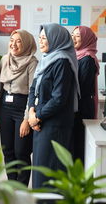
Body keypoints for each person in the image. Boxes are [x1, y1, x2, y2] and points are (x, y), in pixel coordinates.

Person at [28, 23, 80, 189]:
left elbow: (59, 99)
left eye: (45, 38)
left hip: (55, 125)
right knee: (40, 169)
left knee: (50, 172)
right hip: (40, 122)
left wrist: (37, 116)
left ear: (56, 40)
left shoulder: (62, 62)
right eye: (40, 37)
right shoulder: (46, 60)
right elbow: (33, 88)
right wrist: (30, 112)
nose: (41, 42)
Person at [0, 29, 38, 186]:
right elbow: (0, 87)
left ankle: (21, 188)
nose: (13, 44)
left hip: (22, 106)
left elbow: (32, 93)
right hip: (5, 107)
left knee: (21, 151)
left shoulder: (32, 62)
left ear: (27, 43)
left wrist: (26, 119)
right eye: (11, 40)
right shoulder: (4, 59)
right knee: (7, 150)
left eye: (18, 41)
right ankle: (12, 186)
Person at [71, 26, 99, 163]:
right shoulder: (77, 55)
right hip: (77, 105)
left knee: (78, 145)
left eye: (77, 36)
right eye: (72, 35)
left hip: (82, 108)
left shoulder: (87, 59)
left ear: (86, 39)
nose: (73, 38)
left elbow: (81, 88)